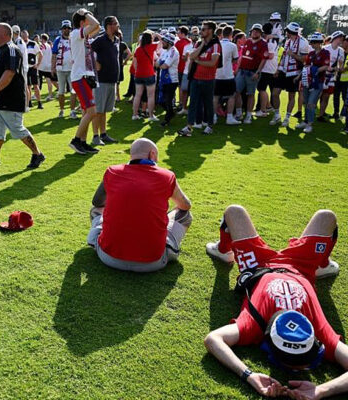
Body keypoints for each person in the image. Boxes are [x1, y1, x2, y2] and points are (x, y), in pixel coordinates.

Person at [204, 205, 348, 399]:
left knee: (234, 211)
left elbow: (213, 339)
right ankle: (321, 265)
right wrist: (321, 390)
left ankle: (223, 250)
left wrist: (249, 375)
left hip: (258, 266)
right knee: (326, 216)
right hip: (301, 267)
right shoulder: (317, 330)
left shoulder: (254, 326)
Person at [87, 138, 192, 272]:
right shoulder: (166, 176)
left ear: (131, 155)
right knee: (185, 215)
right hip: (154, 262)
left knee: (96, 210)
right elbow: (185, 205)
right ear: (152, 154)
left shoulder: (112, 171)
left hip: (108, 257)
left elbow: (97, 202)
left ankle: (96, 239)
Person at [0, 23, 45, 169]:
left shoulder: (12, 50)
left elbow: (10, 73)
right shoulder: (0, 50)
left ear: (5, 34)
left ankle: (37, 154)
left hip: (10, 98)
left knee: (17, 129)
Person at [178, 21, 221, 137]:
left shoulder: (216, 45)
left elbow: (213, 63)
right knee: (193, 103)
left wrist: (198, 61)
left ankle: (209, 125)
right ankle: (189, 127)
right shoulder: (198, 44)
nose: (201, 31)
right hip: (196, 78)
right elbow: (191, 57)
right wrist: (202, 45)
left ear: (210, 31)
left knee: (208, 104)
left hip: (209, 79)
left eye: (203, 29)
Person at [68, 8, 101, 155]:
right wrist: (85, 13)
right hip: (80, 77)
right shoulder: (76, 33)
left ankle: (82, 142)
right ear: (82, 22)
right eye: (87, 20)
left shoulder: (82, 36)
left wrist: (86, 16)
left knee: (86, 112)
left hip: (85, 77)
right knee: (92, 111)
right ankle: (75, 140)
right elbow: (96, 24)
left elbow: (97, 27)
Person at [269, 22, 309, 127]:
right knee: (274, 93)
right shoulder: (287, 41)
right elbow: (284, 56)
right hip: (283, 70)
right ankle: (277, 115)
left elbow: (305, 60)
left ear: (290, 32)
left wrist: (293, 55)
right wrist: (278, 68)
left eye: (287, 31)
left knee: (291, 96)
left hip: (294, 72)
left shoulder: (303, 43)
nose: (286, 32)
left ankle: (286, 118)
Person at [89, 15, 120, 145]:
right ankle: (96, 136)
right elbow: (88, 51)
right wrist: (95, 63)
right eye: (115, 23)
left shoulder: (116, 40)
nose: (118, 26)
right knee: (98, 110)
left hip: (112, 80)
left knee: (104, 111)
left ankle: (104, 134)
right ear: (109, 26)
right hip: (101, 80)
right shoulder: (100, 40)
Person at [234, 24, 268, 124]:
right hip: (242, 70)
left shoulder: (263, 43)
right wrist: (237, 69)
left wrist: (258, 72)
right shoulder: (248, 41)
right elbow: (242, 56)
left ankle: (248, 115)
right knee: (237, 92)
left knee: (250, 94)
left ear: (260, 33)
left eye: (257, 31)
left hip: (252, 72)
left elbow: (263, 60)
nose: (255, 32)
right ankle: (239, 113)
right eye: (254, 31)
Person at [296, 33, 330, 133]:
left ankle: (310, 124)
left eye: (314, 42)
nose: (312, 44)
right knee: (306, 102)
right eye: (311, 42)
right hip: (307, 81)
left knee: (311, 103)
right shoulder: (310, 54)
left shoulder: (325, 53)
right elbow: (306, 67)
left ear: (320, 43)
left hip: (318, 82)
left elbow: (326, 66)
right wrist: (299, 77)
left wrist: (315, 70)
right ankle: (306, 121)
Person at [52, 20, 78, 119]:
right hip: (60, 69)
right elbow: (54, 54)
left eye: (68, 28)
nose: (66, 30)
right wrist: (52, 67)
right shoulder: (58, 40)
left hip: (72, 69)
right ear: (62, 30)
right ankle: (61, 110)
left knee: (73, 91)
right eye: (64, 28)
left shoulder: (74, 39)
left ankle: (72, 111)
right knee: (61, 91)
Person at [214, 26, 240, 125]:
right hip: (228, 75)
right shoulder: (232, 46)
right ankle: (229, 117)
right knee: (231, 96)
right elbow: (236, 59)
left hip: (217, 74)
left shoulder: (217, 44)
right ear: (231, 35)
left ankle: (213, 117)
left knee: (215, 96)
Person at [132, 30, 158, 121]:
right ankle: (151, 115)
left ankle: (135, 115)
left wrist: (136, 71)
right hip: (149, 73)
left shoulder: (138, 49)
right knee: (150, 95)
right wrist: (155, 34)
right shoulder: (151, 46)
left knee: (137, 95)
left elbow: (134, 63)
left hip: (139, 74)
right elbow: (162, 41)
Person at [255, 23, 279, 118]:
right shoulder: (269, 40)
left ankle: (263, 110)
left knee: (262, 89)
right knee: (261, 89)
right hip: (268, 68)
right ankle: (268, 106)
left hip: (267, 68)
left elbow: (270, 55)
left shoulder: (270, 42)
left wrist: (259, 55)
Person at [319, 31, 345, 121]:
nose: (342, 39)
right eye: (341, 37)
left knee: (326, 96)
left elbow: (340, 65)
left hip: (331, 77)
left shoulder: (340, 51)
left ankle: (320, 116)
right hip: (321, 75)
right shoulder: (325, 48)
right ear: (336, 38)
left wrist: (339, 69)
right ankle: (309, 115)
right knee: (317, 95)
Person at [156, 33, 179, 127]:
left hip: (171, 80)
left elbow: (165, 65)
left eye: (163, 41)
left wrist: (161, 65)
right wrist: (161, 65)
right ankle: (171, 113)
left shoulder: (174, 51)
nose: (162, 43)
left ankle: (167, 119)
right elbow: (157, 64)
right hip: (163, 80)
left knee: (167, 100)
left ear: (169, 42)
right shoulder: (165, 51)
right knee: (161, 101)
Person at [22, 30, 42, 109]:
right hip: (25, 68)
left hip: (33, 68)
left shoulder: (33, 43)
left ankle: (39, 103)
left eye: (25, 35)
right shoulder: (21, 44)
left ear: (28, 35)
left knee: (36, 86)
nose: (23, 37)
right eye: (22, 36)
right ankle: (29, 102)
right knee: (28, 86)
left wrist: (37, 64)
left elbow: (40, 54)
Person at [38, 34, 56, 101]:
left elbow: (40, 54)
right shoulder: (49, 45)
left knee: (38, 81)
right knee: (49, 81)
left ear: (42, 39)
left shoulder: (42, 45)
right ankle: (50, 94)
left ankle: (36, 94)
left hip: (41, 66)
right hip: (48, 65)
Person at [116, 30, 132, 102]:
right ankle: (117, 97)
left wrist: (125, 61)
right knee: (117, 82)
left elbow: (130, 54)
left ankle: (117, 97)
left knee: (116, 82)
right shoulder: (122, 44)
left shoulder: (121, 44)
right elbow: (130, 54)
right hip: (119, 65)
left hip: (116, 65)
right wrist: (125, 61)